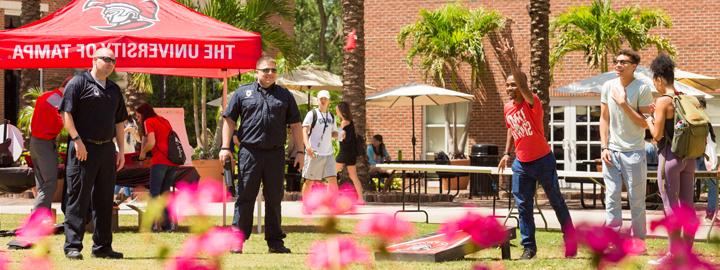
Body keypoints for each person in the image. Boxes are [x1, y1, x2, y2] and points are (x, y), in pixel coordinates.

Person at [495, 39, 575, 260]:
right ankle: (528, 247)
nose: (510, 88)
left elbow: (523, 86)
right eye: (507, 85)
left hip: (543, 160)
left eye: (514, 85)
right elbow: (512, 128)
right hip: (521, 163)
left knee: (556, 200)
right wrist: (506, 153)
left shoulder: (533, 102)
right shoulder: (507, 107)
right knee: (523, 205)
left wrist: (511, 60)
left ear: (521, 87)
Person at [220, 56, 304, 254]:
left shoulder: (285, 95)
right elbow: (229, 120)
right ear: (256, 72)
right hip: (249, 152)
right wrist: (225, 147)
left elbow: (296, 125)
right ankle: (237, 241)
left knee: (274, 198)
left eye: (273, 70)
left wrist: (300, 151)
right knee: (245, 197)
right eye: (266, 70)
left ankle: (275, 242)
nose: (270, 73)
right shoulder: (242, 93)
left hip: (275, 154)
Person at [59, 47, 127, 260]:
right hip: (83, 148)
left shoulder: (114, 90)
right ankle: (73, 246)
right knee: (78, 198)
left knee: (105, 199)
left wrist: (121, 150)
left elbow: (119, 122)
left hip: (107, 149)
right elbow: (66, 113)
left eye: (113, 61)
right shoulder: (78, 83)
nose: (110, 63)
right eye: (106, 59)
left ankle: (103, 247)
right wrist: (77, 140)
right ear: (94, 59)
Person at [646, 54, 697, 265]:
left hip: (669, 158)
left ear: (658, 79)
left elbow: (657, 136)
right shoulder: (685, 98)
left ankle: (673, 254)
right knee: (688, 206)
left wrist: (649, 120)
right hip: (690, 158)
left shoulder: (662, 101)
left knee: (670, 207)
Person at [600, 49, 653, 244]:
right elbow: (604, 118)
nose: (618, 65)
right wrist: (604, 147)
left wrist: (623, 104)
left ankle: (638, 241)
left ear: (634, 66)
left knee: (636, 200)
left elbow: (645, 123)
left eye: (623, 62)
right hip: (611, 152)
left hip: (634, 153)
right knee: (612, 197)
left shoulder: (642, 89)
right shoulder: (608, 86)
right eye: (616, 61)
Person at [29, 76, 72, 210]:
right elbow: (66, 122)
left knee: (42, 184)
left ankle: (43, 218)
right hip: (44, 144)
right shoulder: (58, 100)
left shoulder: (46, 95)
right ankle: (36, 219)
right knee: (49, 183)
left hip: (35, 142)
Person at [136, 102, 177, 232]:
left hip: (159, 161)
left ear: (143, 114)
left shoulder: (149, 121)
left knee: (154, 193)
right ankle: (167, 226)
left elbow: (151, 142)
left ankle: (151, 225)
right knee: (165, 194)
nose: (138, 119)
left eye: (138, 116)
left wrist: (142, 153)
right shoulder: (164, 120)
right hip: (172, 162)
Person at [301, 90, 339, 196]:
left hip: (329, 153)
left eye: (325, 99)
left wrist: (340, 134)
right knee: (309, 180)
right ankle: (306, 206)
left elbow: (333, 133)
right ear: (317, 100)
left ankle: (333, 206)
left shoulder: (331, 116)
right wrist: (308, 147)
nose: (323, 101)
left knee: (333, 179)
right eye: (321, 99)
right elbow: (304, 130)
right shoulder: (312, 114)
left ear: (329, 101)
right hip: (314, 153)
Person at [335, 101, 364, 203]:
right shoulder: (350, 122)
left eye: (337, 110)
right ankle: (361, 199)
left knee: (331, 174)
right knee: (353, 176)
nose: (336, 111)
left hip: (344, 153)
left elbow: (338, 137)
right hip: (351, 153)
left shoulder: (344, 123)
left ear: (341, 111)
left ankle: (331, 198)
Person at [695, 99, 718, 221]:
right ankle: (710, 212)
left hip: (701, 156)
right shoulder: (704, 121)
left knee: (712, 184)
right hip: (702, 156)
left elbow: (710, 141)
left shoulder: (702, 121)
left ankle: (710, 212)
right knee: (713, 185)